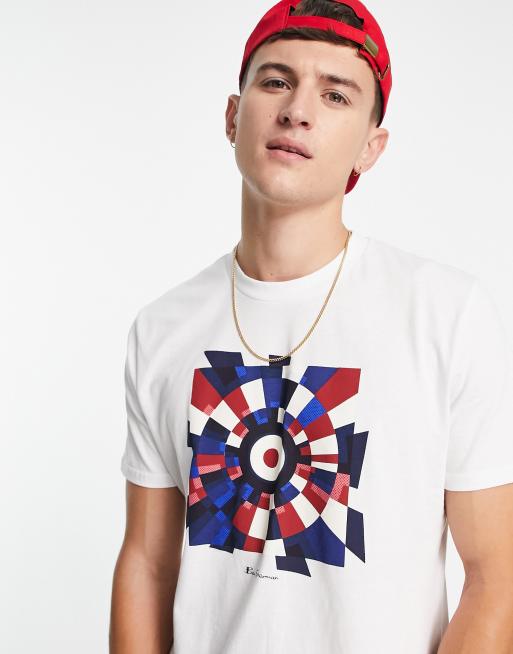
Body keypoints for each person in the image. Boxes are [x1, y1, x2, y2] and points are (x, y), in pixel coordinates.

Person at [110, 1, 513, 653]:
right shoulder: (162, 328)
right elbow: (148, 565)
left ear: (370, 148)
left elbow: (497, 576)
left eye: (335, 95)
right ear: (232, 116)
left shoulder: (446, 314)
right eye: (276, 81)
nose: (297, 110)